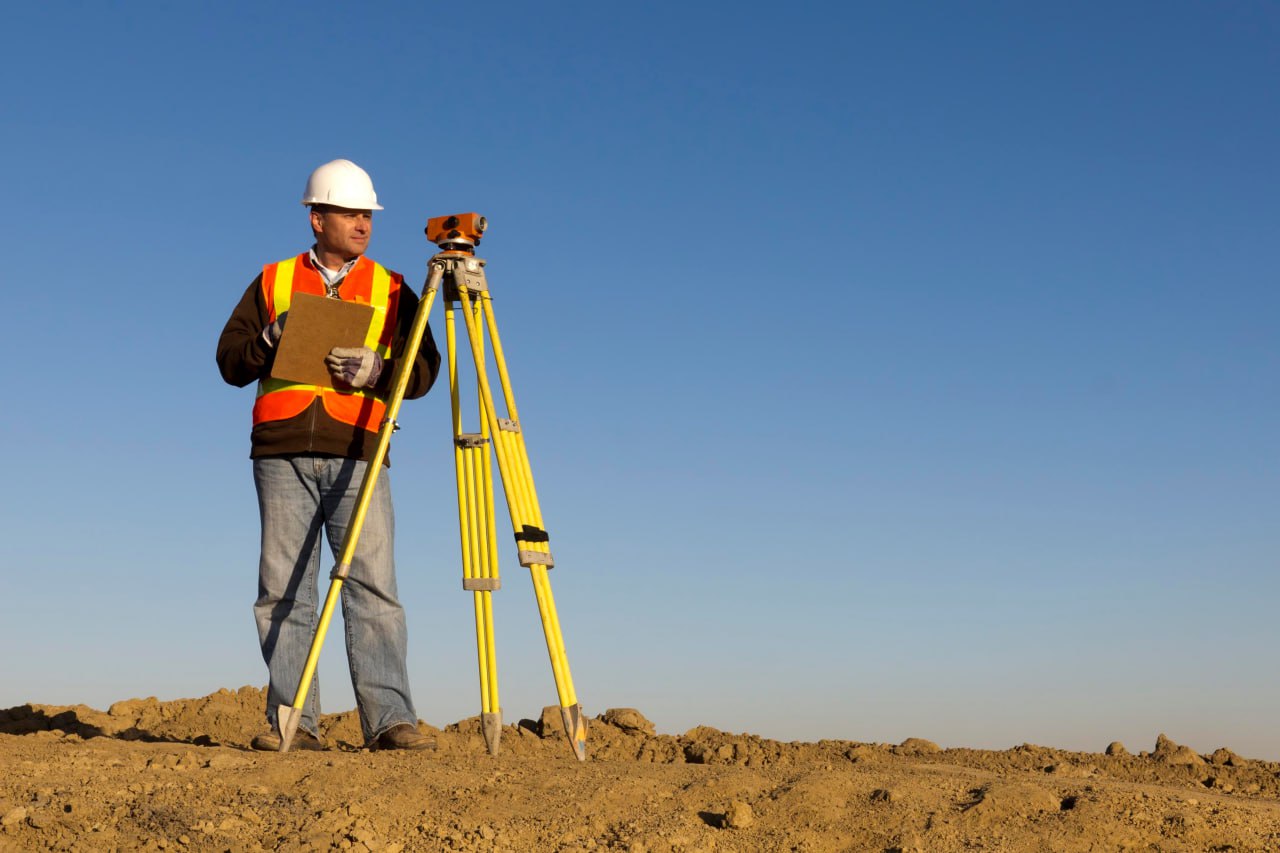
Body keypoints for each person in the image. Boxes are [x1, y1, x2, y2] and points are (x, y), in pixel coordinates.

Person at [216, 159, 441, 751]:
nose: (363, 223)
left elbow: (423, 372)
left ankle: (390, 722)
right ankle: (295, 724)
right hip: (282, 451)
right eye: (350, 212)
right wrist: (268, 340)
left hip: (359, 451)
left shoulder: (393, 288)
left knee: (373, 587)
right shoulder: (272, 280)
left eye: (367, 213)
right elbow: (229, 361)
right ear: (317, 218)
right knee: (284, 592)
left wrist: (379, 370)